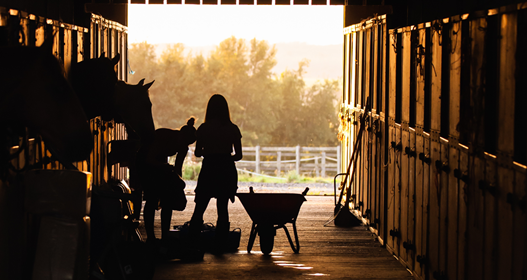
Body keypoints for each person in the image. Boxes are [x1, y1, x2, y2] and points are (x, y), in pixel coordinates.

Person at [189, 94, 242, 253]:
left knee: (200, 207)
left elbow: (198, 152)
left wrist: (210, 153)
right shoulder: (233, 128)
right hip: (226, 168)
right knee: (222, 208)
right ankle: (220, 245)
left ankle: (193, 243)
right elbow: (238, 156)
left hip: (210, 168)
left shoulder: (204, 129)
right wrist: (225, 156)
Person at [140, 117, 197, 241]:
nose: (184, 145)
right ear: (180, 135)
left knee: (168, 200)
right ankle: (151, 237)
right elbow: (149, 159)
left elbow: (178, 168)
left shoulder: (183, 145)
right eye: (184, 142)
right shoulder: (164, 136)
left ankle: (165, 236)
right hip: (145, 161)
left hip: (160, 164)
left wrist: (177, 184)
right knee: (151, 199)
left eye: (187, 144)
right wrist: (165, 167)